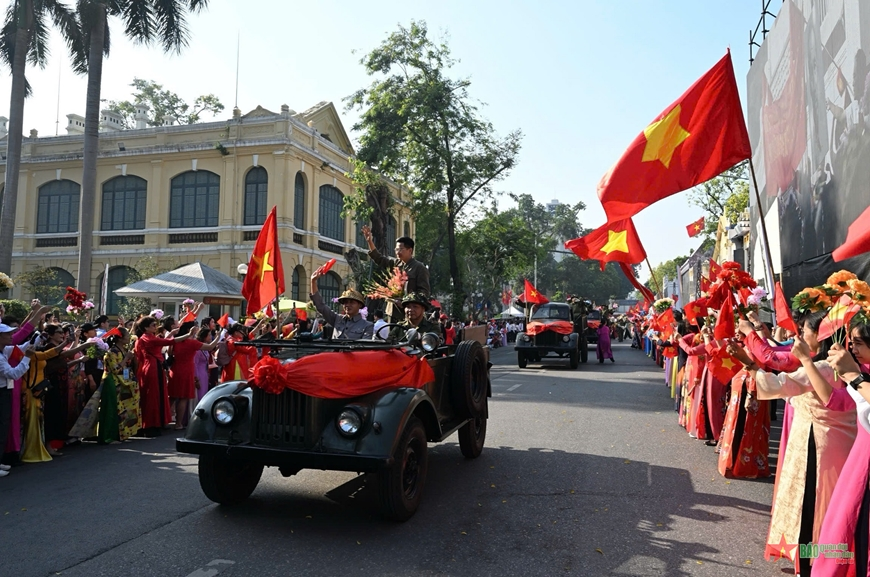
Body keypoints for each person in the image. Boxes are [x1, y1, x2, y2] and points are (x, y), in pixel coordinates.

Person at [750, 310, 857, 575]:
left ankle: (811, 564)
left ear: (819, 336)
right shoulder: (849, 369)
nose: (800, 334)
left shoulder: (821, 368)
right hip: (842, 445)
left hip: (817, 445)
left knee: (812, 505)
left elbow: (777, 384)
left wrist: (751, 367)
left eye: (805, 330)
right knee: (834, 506)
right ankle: (833, 561)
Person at [812, 317, 870, 577]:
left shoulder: (861, 374)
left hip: (857, 456)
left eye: (858, 343)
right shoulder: (862, 371)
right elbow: (836, 401)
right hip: (858, 458)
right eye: (851, 342)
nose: (852, 348)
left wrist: (854, 376)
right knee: (842, 527)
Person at [135, 316, 197, 437]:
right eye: (153, 325)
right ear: (145, 327)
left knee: (158, 396)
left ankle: (156, 423)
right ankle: (150, 425)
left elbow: (161, 344)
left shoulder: (150, 337)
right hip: (152, 369)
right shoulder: (147, 338)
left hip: (155, 367)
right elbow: (168, 342)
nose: (155, 326)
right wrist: (188, 334)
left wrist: (172, 334)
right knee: (152, 398)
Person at [97, 326, 140, 443]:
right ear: (120, 339)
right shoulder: (111, 353)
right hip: (112, 382)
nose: (129, 338)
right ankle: (108, 436)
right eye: (127, 336)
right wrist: (126, 359)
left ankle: (120, 434)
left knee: (123, 409)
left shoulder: (124, 350)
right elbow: (116, 369)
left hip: (123, 382)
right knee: (112, 409)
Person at [0, 324, 33, 477]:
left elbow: (21, 347)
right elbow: (13, 374)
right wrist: (27, 358)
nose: (10, 337)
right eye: (7, 335)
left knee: (3, 428)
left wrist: (37, 339)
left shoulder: (4, 350)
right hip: (1, 393)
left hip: (5, 392)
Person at [361, 225, 430, 297]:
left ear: (410, 250)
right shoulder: (395, 264)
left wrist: (409, 300)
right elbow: (379, 258)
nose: (397, 252)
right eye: (396, 249)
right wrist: (370, 242)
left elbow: (424, 292)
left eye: (400, 249)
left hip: (408, 307)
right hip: (393, 305)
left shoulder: (419, 268)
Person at [310, 272, 373, 340]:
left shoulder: (367, 326)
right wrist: (313, 281)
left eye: (352, 302)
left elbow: (364, 348)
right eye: (345, 302)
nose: (348, 305)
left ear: (360, 305)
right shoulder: (337, 319)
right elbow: (321, 306)